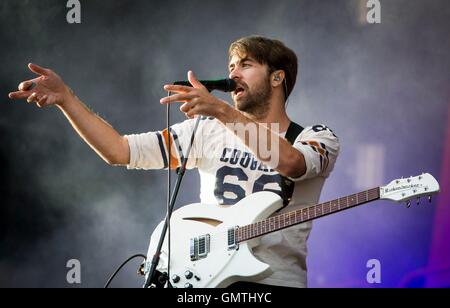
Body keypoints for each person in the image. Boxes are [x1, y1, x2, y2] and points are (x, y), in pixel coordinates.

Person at [8, 36, 339, 288]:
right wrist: (67, 99)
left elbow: (294, 165)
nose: (233, 73)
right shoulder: (208, 130)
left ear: (277, 78)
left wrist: (222, 111)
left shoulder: (316, 136)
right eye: (230, 67)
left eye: (245, 64)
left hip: (274, 282)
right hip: (206, 278)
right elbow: (121, 151)